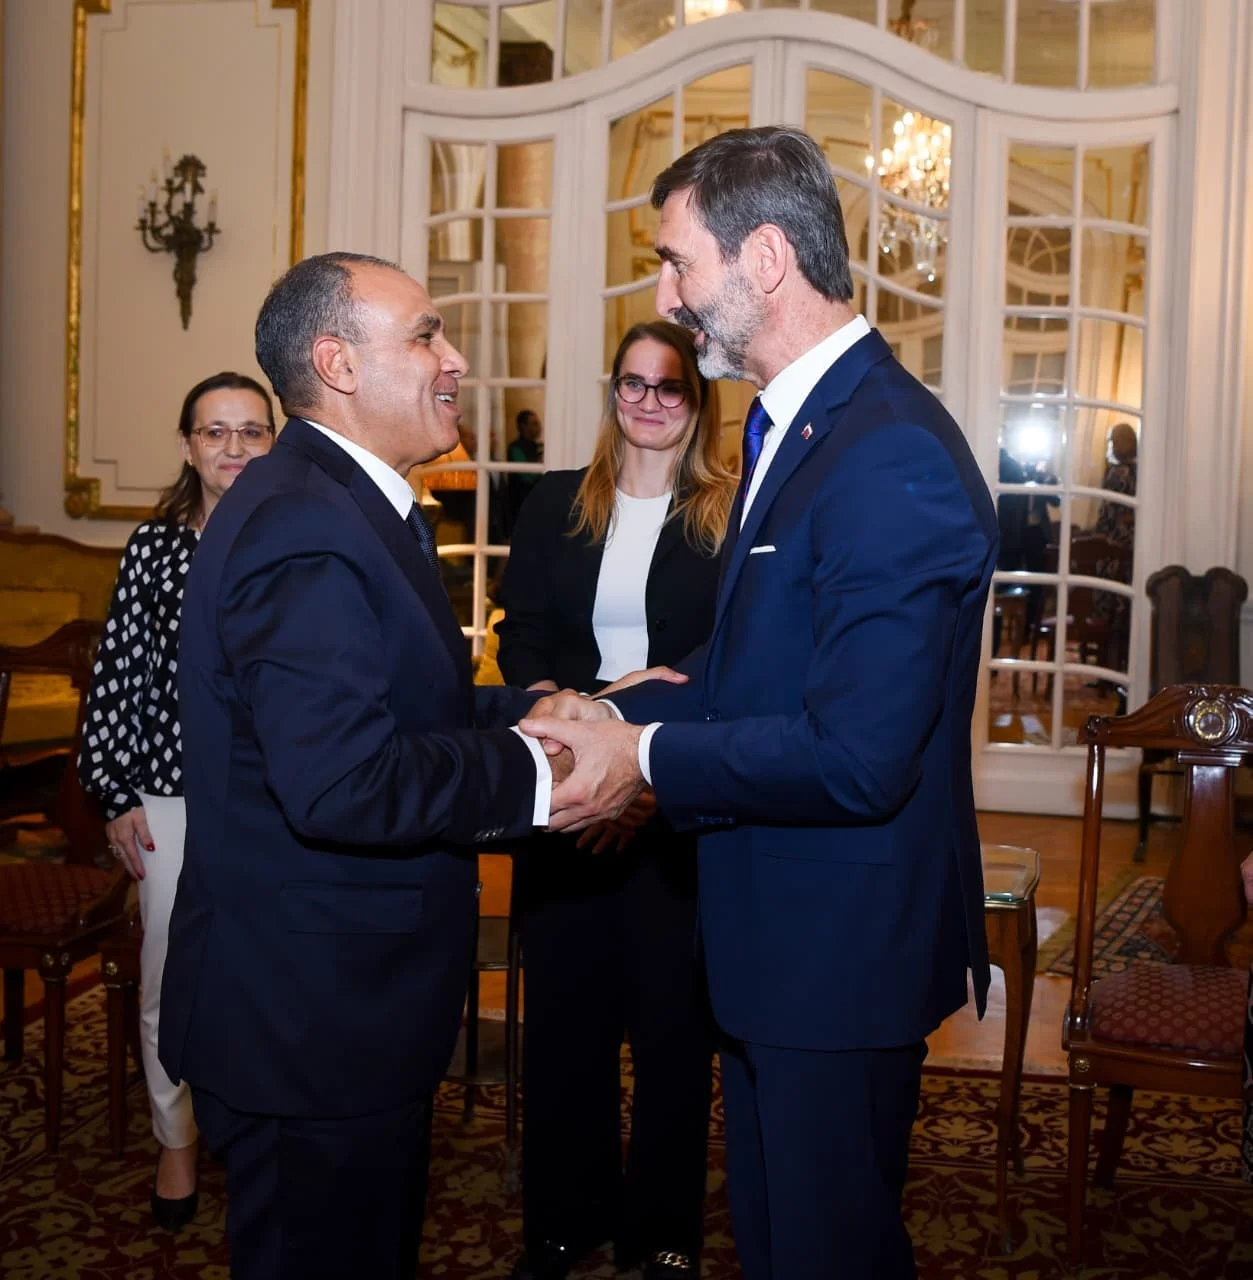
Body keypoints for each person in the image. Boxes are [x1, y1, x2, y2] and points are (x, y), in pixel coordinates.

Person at [522, 126, 999, 1279]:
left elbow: (859, 755)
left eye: (676, 261)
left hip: (835, 950)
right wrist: (620, 712)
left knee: (827, 1249)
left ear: (766, 258)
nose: (664, 294)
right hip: (774, 938)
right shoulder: (800, 422)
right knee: (778, 1240)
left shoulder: (886, 452)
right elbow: (760, 659)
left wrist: (642, 759)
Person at [158, 252, 568, 1280]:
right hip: (311, 1022)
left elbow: (403, 707)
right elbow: (344, 780)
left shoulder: (343, 503)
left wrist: (553, 711)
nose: (455, 359)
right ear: (337, 364)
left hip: (341, 1011)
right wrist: (544, 772)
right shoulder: (302, 522)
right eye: (426, 335)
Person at [496, 321, 734, 1280]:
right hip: (562, 797)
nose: (648, 402)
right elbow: (520, 635)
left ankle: (664, 1231)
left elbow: (723, 662)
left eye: (669, 387)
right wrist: (566, 727)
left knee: (674, 1031)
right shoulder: (555, 503)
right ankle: (563, 1222)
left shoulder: (730, 514)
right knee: (565, 1026)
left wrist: (634, 769)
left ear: (698, 403)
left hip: (672, 799)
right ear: (613, 393)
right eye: (632, 383)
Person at [77, 371, 276, 1231]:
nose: (233, 447)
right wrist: (114, 792)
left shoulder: (293, 538)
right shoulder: (154, 548)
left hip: (276, 796)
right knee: (170, 974)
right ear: (189, 446)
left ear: (274, 442)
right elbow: (118, 672)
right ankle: (176, 1139)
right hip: (168, 793)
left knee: (268, 973)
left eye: (251, 431)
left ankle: (262, 1124)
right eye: (214, 431)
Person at [507, 407, 544, 525]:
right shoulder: (515, 448)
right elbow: (527, 477)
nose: (539, 427)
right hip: (520, 505)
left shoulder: (539, 447)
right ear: (523, 426)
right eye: (534, 423)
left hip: (538, 503)